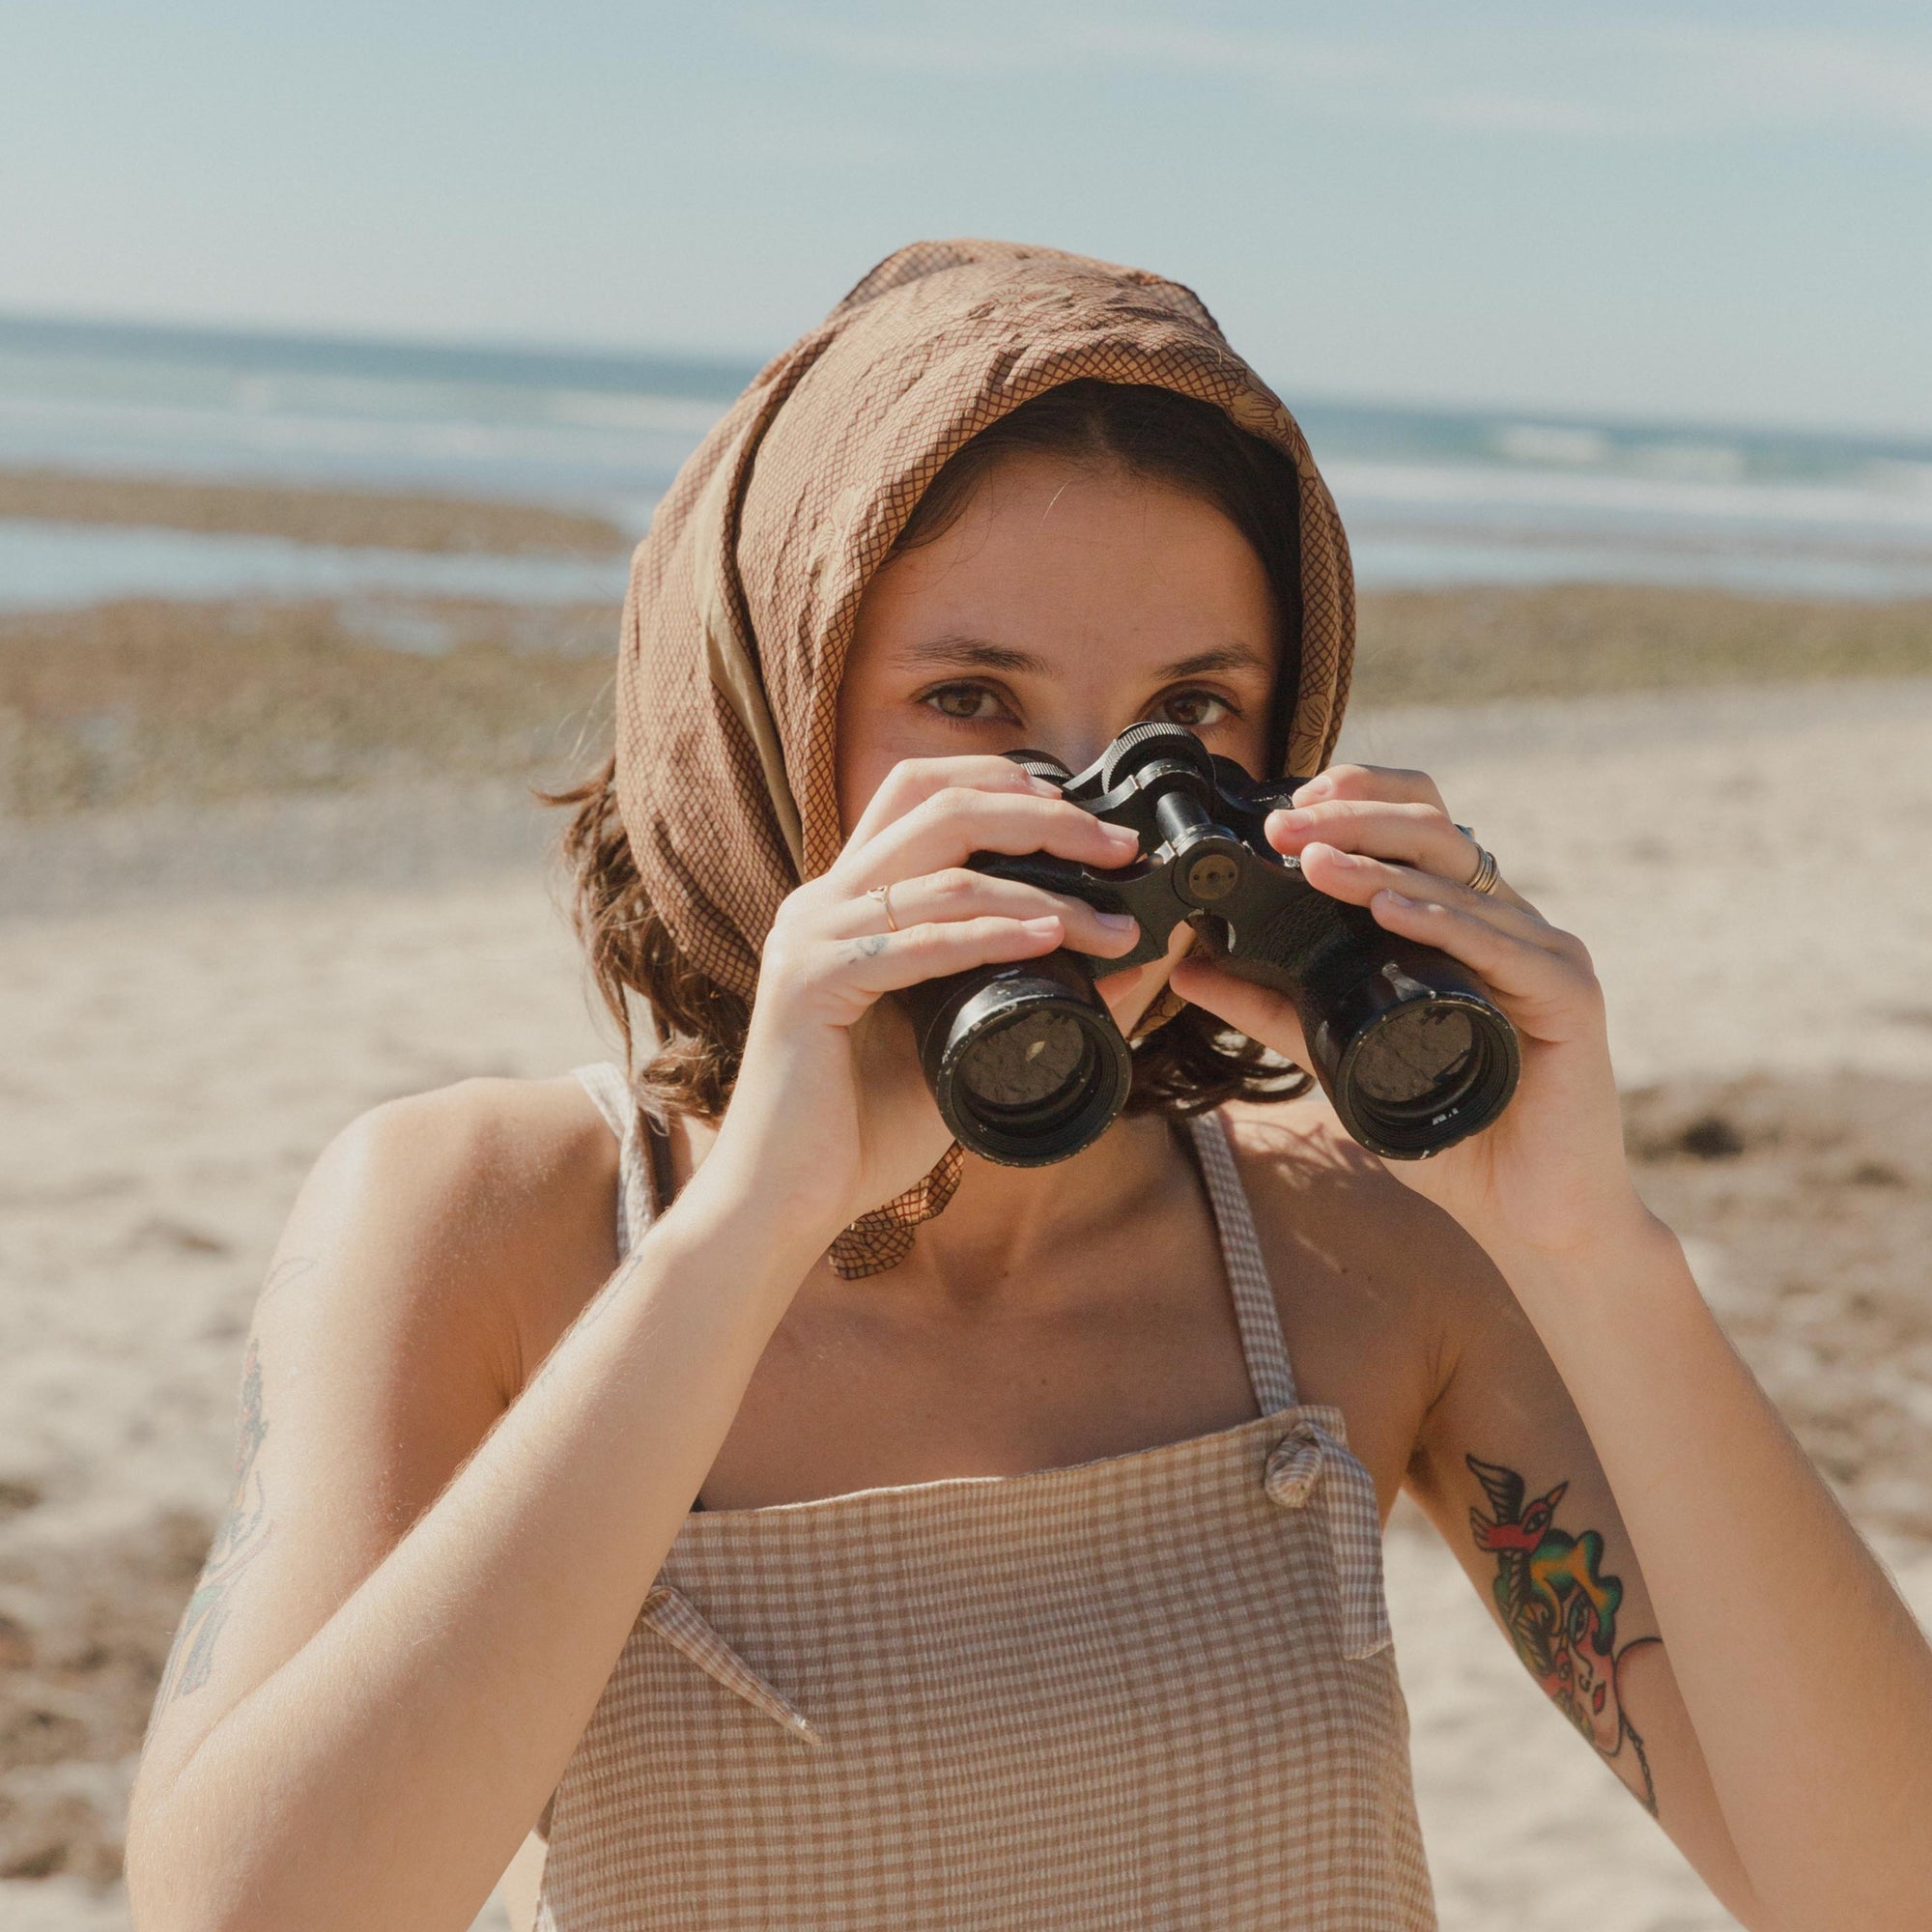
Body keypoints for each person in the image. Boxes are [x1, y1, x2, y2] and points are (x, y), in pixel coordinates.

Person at [127, 242, 1932, 1932]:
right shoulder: (503, 1220)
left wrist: (1592, 1249)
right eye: (972, 698)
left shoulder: (1352, 1243)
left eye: (1194, 719)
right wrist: (746, 1230)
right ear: (768, 709)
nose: (1093, 802)